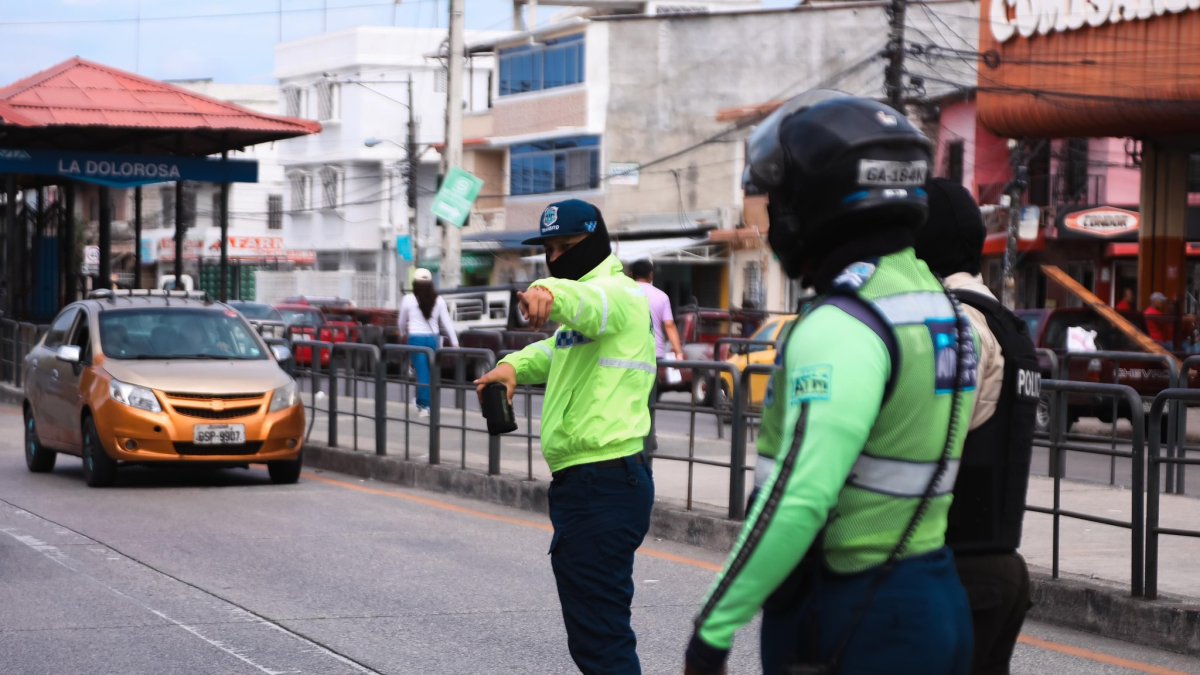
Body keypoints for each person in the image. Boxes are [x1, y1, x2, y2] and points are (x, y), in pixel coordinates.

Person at [683, 91, 977, 675]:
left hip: (856, 614)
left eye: (779, 203)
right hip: (934, 594)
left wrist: (713, 630)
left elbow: (800, 496)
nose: (773, 223)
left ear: (812, 206)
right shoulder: (938, 307)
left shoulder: (844, 323)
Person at [474, 199, 656, 674]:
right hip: (593, 485)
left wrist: (546, 290)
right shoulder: (587, 318)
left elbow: (586, 302)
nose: (556, 257)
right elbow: (555, 350)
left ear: (595, 243)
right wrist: (511, 367)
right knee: (598, 631)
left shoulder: (618, 296)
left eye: (566, 247)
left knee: (601, 640)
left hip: (604, 483)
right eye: (549, 250)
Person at [916, 177, 1040, 675]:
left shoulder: (957, 327)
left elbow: (927, 441)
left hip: (956, 569)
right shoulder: (1005, 324)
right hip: (995, 566)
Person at [397, 268, 459, 417]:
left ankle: (425, 406)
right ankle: (421, 401)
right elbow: (447, 322)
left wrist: (402, 332)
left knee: (422, 373)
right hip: (433, 339)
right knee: (430, 373)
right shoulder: (439, 300)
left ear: (414, 283)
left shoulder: (408, 299)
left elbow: (401, 321)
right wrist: (455, 342)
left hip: (416, 339)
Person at [630, 258, 685, 362]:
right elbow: (669, 325)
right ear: (651, 275)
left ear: (631, 274)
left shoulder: (623, 294)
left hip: (629, 352)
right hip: (654, 352)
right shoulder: (662, 296)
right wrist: (678, 352)